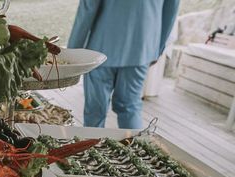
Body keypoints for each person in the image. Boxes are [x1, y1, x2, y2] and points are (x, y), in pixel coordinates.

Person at [68, 0, 180, 129]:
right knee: (130, 107)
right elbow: (171, 10)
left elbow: (88, 7)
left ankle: (91, 147)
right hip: (141, 48)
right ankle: (134, 148)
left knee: (95, 109)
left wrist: (73, 51)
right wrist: (156, 49)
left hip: (101, 47)